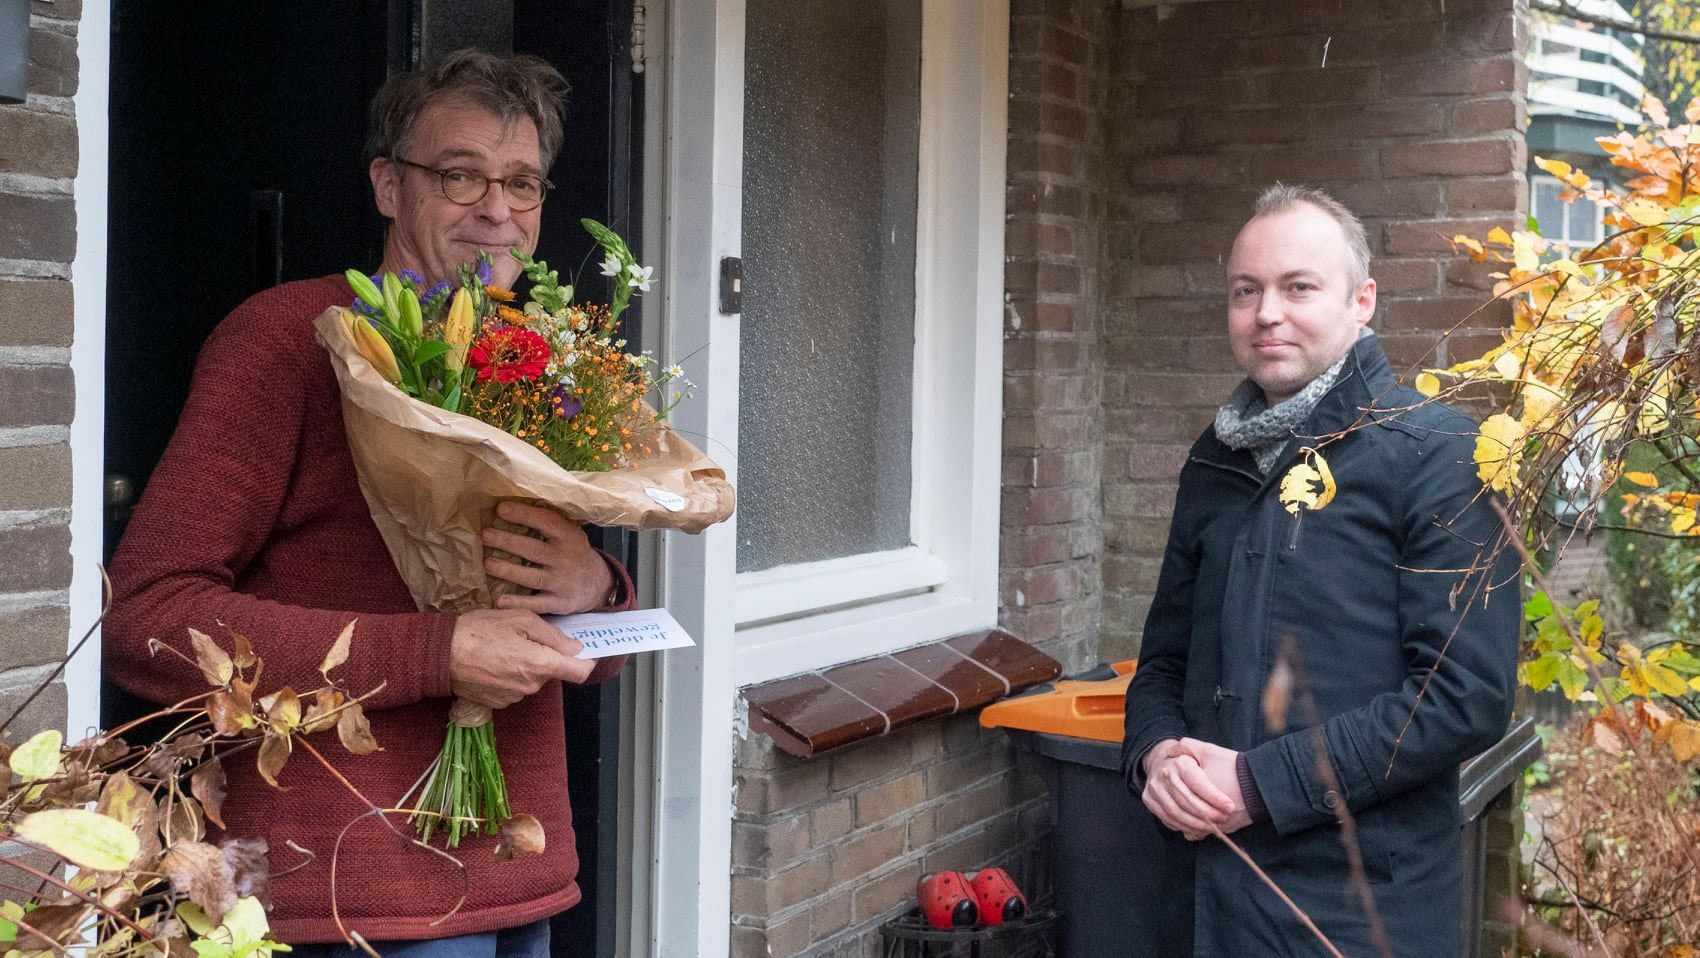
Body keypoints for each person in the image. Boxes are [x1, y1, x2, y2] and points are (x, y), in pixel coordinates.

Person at [105, 50, 629, 956]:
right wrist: (438, 650)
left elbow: (533, 632)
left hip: (520, 877)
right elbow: (148, 616)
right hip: (350, 895)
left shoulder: (539, 368)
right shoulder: (285, 344)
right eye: (459, 175)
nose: (497, 211)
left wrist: (594, 589)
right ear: (389, 184)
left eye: (522, 182)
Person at [1120, 185, 1520, 956]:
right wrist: (1157, 753)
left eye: (1298, 286)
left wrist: (1260, 786)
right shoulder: (1214, 462)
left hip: (1358, 916)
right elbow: (1163, 659)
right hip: (1206, 902)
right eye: (1247, 291)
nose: (1267, 312)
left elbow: (1463, 697)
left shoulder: (1435, 455)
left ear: (1361, 300)